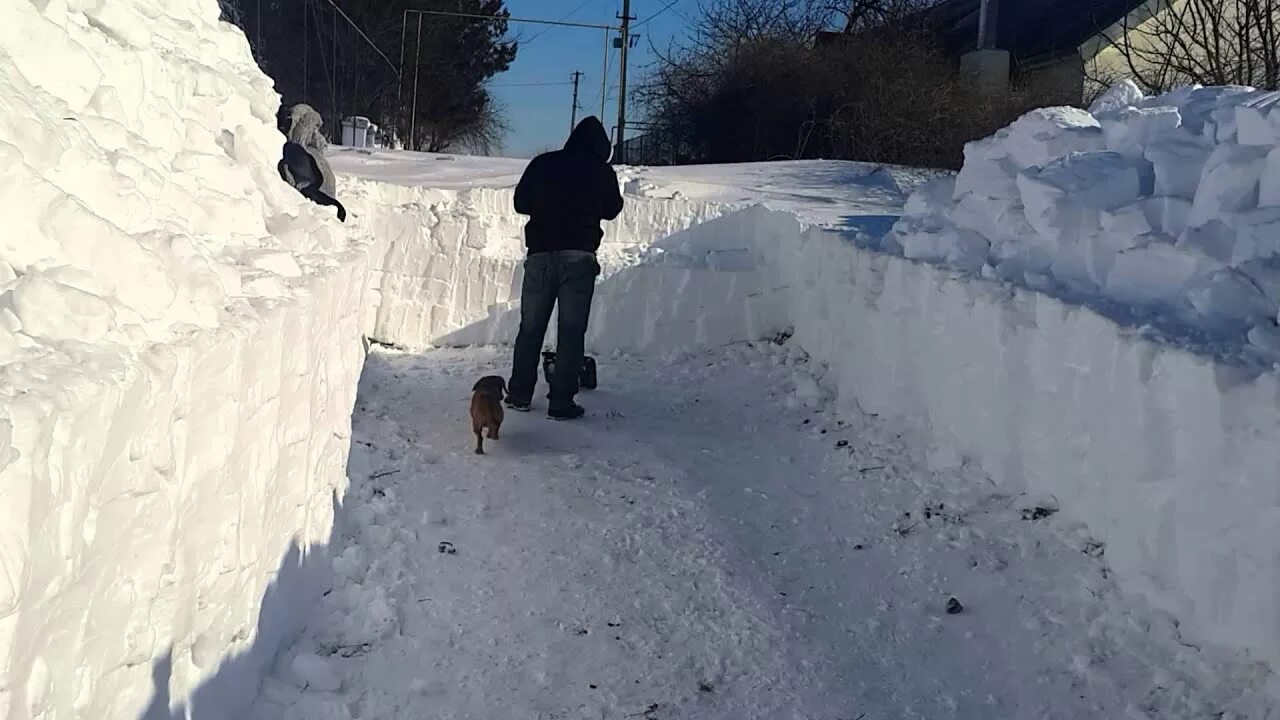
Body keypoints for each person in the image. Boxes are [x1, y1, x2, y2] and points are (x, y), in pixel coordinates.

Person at [505, 116, 624, 420]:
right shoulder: (601, 170)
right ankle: (561, 402)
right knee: (571, 332)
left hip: (540, 256)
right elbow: (612, 209)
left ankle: (519, 394)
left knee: (530, 328)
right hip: (579, 259)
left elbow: (520, 203)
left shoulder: (543, 163)